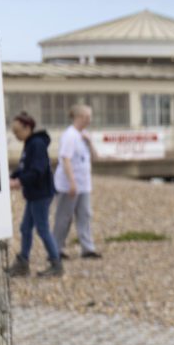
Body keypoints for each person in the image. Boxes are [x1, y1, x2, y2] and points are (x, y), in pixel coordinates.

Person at [7, 112, 62, 277]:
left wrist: (19, 182)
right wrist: (12, 177)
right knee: (25, 228)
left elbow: (37, 170)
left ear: (27, 127)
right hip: (34, 194)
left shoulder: (36, 144)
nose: (16, 135)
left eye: (17, 131)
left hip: (41, 193)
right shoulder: (30, 143)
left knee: (43, 229)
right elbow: (24, 167)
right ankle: (23, 262)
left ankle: (56, 264)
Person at [53, 103, 101, 258]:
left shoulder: (84, 135)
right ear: (79, 117)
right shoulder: (70, 135)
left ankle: (87, 248)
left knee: (85, 214)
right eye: (87, 116)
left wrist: (90, 142)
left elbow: (95, 157)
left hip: (84, 184)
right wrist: (72, 182)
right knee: (64, 217)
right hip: (69, 185)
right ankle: (56, 248)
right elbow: (65, 159)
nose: (89, 120)